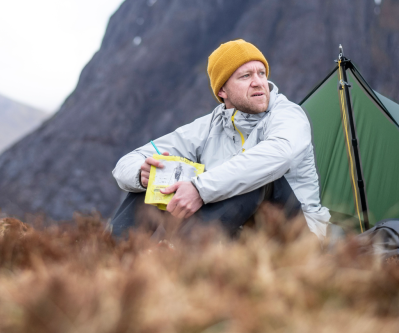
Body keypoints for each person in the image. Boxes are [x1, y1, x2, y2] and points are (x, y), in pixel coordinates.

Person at [109, 39, 331, 239]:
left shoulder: (288, 114)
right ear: (222, 90)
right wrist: (143, 174)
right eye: (246, 76)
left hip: (298, 233)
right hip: (237, 231)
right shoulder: (206, 127)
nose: (258, 82)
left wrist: (199, 188)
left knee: (257, 178)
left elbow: (279, 154)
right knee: (155, 178)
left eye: (261, 73)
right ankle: (113, 256)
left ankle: (179, 256)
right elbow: (127, 162)